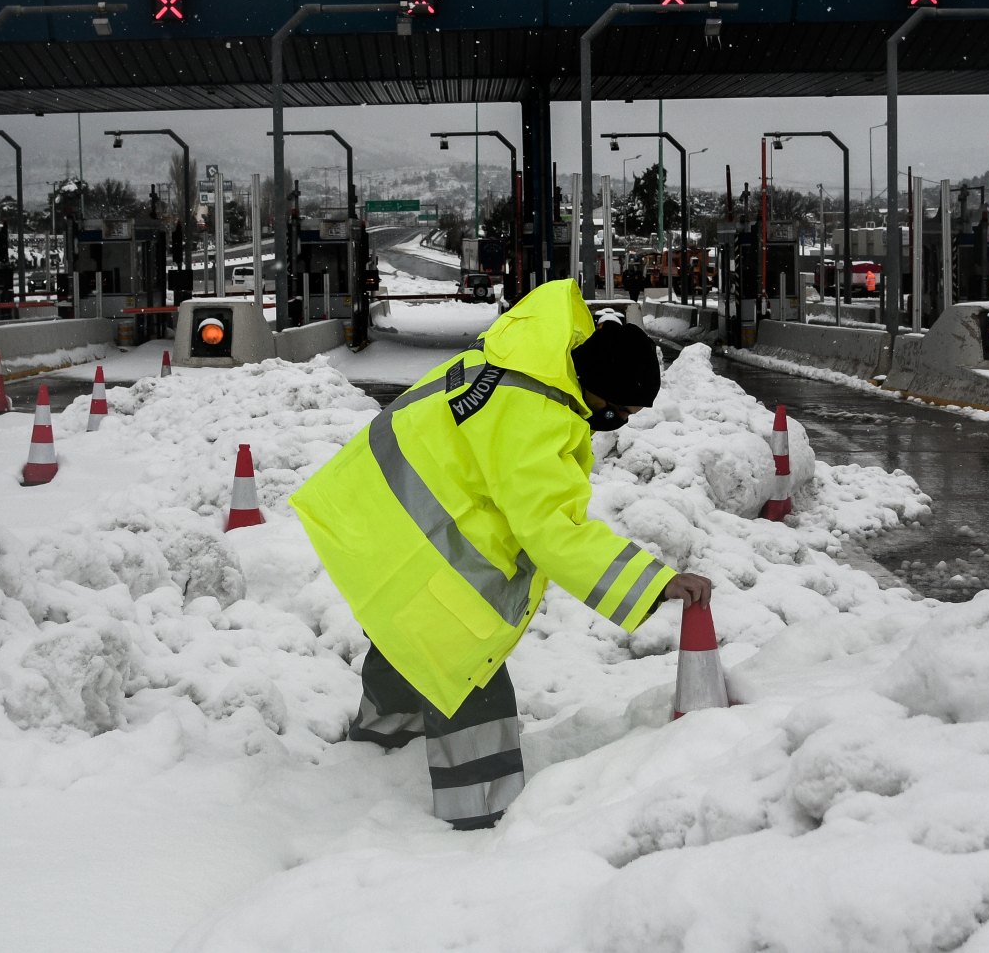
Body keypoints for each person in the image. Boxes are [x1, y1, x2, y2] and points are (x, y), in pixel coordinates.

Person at [292, 279, 713, 830]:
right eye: (620, 410)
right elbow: (553, 530)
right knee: (467, 664)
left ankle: (379, 748)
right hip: (405, 535)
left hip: (372, 516)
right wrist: (653, 582)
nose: (619, 423)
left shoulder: (522, 357)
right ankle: (481, 817)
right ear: (597, 388)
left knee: (406, 637)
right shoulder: (533, 415)